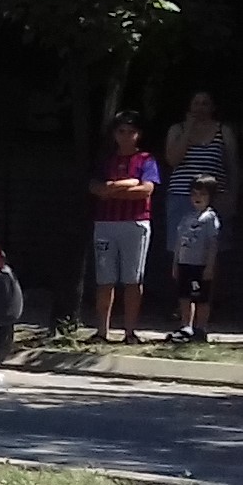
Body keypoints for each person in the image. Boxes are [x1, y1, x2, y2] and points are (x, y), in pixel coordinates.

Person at [87, 113, 159, 345]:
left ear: (139, 135)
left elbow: (146, 190)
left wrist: (114, 188)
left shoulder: (146, 160)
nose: (126, 136)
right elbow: (97, 188)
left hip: (135, 222)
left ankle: (130, 332)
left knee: (132, 279)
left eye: (131, 132)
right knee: (104, 279)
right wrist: (127, 183)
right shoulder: (105, 160)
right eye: (121, 131)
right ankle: (101, 331)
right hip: (106, 223)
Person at [162, 91, 238, 250]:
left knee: (212, 249)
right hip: (182, 195)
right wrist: (188, 130)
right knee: (181, 249)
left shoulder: (223, 131)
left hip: (214, 196)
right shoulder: (177, 129)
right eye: (196, 103)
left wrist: (232, 195)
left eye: (205, 103)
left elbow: (232, 165)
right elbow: (173, 160)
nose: (200, 108)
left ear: (212, 107)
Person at [166, 178, 224, 342]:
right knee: (184, 296)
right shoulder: (186, 217)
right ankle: (186, 326)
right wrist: (175, 263)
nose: (197, 197)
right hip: (184, 263)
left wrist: (210, 266)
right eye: (194, 194)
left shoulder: (210, 217)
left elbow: (213, 243)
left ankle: (201, 327)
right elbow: (179, 242)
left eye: (203, 194)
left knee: (201, 297)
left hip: (200, 265)